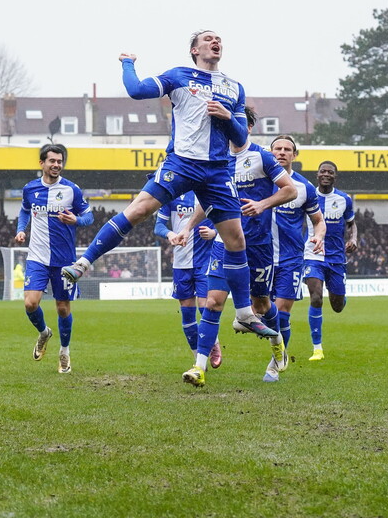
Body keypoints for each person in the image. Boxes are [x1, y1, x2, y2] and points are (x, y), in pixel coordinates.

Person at [60, 30, 276, 388]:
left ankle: (242, 314)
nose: (215, 42)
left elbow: (241, 138)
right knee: (140, 208)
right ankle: (84, 262)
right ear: (195, 50)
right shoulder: (179, 75)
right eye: (208, 39)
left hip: (217, 170)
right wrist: (129, 64)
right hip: (183, 162)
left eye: (218, 38)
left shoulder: (234, 88)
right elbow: (137, 90)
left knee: (236, 239)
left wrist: (226, 116)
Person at [174, 108, 298, 382]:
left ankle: (278, 347)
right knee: (214, 302)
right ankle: (199, 367)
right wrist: (187, 228)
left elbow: (291, 190)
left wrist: (262, 204)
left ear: (247, 127)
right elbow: (207, 203)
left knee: (262, 305)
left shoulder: (262, 157)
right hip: (223, 244)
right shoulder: (215, 162)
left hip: (258, 246)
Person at [15, 143, 93, 375]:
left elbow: (89, 217)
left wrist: (76, 221)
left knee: (62, 308)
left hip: (65, 260)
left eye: (60, 161)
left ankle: (65, 352)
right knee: (30, 303)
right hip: (37, 256)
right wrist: (21, 229)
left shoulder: (72, 190)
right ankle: (43, 333)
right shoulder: (30, 189)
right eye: (52, 161)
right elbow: (24, 210)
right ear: (42, 163)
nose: (57, 165)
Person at [268, 135, 326, 382]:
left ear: (294, 155)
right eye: (277, 149)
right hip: (261, 258)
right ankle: (276, 348)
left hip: (291, 259)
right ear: (270, 153)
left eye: (287, 149)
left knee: (281, 314)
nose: (282, 152)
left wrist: (319, 236)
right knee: (263, 313)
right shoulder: (258, 183)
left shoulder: (305, 188)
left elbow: (318, 221)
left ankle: (274, 364)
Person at [154, 190, 221, 366]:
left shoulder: (207, 191)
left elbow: (226, 218)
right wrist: (169, 234)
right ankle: (197, 359)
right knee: (187, 312)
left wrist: (214, 233)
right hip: (181, 263)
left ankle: (213, 345)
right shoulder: (172, 195)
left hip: (205, 260)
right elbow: (158, 225)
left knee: (205, 305)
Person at [303, 161, 357, 361]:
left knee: (337, 306)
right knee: (316, 298)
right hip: (312, 255)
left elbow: (352, 223)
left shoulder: (344, 199)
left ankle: (341, 296)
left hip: (336, 259)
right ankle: (317, 348)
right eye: (323, 171)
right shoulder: (308, 196)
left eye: (330, 172)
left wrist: (353, 239)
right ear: (317, 175)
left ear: (335, 176)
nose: (326, 174)